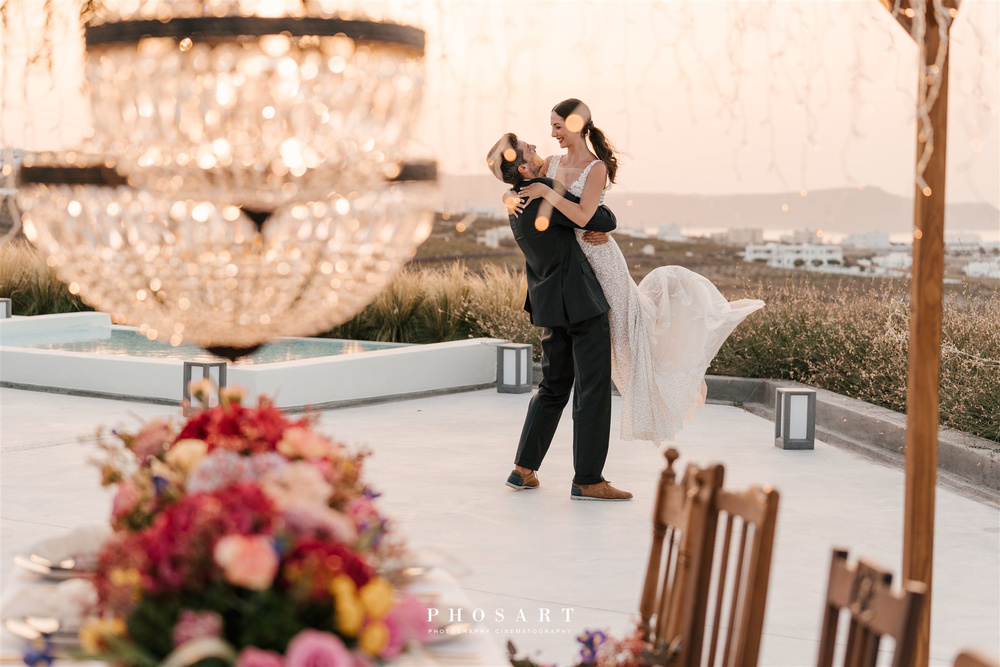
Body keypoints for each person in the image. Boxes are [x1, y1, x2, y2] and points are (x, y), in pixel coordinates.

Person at [516, 99, 765, 444]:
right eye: (551, 127)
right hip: (575, 267)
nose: (552, 133)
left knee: (629, 333)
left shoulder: (596, 167)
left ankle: (661, 390)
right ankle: (584, 468)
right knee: (599, 349)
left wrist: (555, 194)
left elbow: (585, 216)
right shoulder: (551, 163)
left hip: (602, 258)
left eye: (558, 126)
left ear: (575, 125)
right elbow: (520, 184)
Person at [486, 132, 633, 501]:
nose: (537, 147)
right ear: (523, 167)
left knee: (553, 387)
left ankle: (523, 469)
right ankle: (588, 479)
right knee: (593, 389)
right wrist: (592, 218)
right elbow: (602, 217)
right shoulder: (543, 189)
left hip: (548, 304)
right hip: (581, 302)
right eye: (528, 150)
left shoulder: (516, 202)